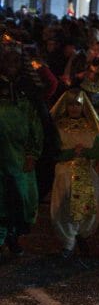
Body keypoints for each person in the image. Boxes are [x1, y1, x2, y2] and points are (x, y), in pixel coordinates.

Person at [49, 90, 99, 259]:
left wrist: (85, 152)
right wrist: (72, 152)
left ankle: (82, 235)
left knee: (90, 205)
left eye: (78, 104)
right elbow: (53, 151)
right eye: (71, 104)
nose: (74, 108)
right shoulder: (58, 127)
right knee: (64, 205)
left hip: (86, 171)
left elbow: (97, 150)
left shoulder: (91, 127)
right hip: (65, 172)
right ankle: (68, 241)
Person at [0, 47, 43, 258]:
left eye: (16, 63)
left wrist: (32, 153)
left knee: (21, 198)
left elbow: (36, 122)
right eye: (8, 63)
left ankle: (13, 237)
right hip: (2, 155)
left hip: (19, 156)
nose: (11, 67)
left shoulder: (26, 88)